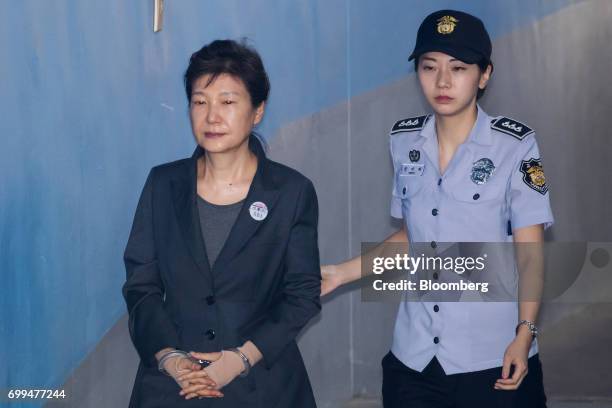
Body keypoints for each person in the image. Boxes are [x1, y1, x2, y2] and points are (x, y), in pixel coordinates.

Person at [322, 10, 553, 407]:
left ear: (484, 75)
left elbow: (529, 254)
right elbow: (413, 235)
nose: (442, 81)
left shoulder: (514, 145)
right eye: (429, 67)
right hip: (414, 359)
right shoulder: (404, 140)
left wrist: (525, 333)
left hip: (492, 356)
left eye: (458, 68)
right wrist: (341, 273)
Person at [122, 39, 321, 407]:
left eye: (228, 102)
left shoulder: (291, 192)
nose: (212, 117)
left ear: (257, 110)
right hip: (173, 385)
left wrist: (240, 358)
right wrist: (169, 357)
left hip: (262, 385)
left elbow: (302, 296)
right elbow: (141, 286)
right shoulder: (163, 185)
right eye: (200, 102)